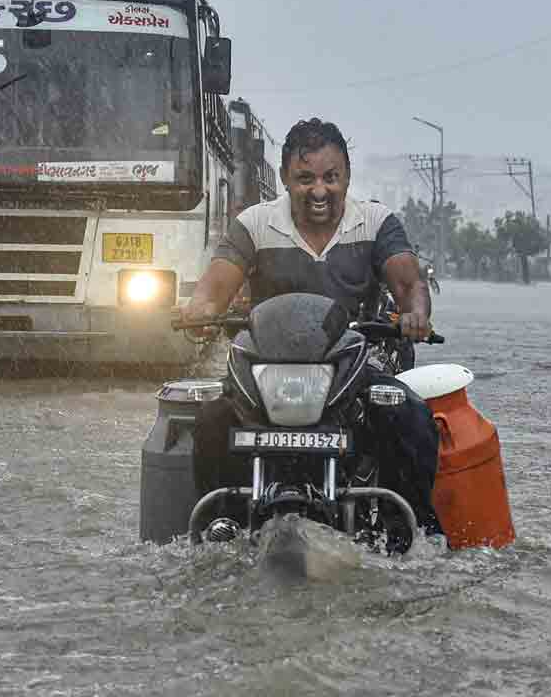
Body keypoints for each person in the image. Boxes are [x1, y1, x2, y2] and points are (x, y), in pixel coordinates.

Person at [177, 117, 441, 535]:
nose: (319, 190)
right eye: (305, 178)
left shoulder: (375, 222)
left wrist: (415, 313)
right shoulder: (255, 224)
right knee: (211, 420)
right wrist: (200, 312)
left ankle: (409, 532)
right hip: (267, 374)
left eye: (331, 177)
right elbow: (215, 286)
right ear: (284, 178)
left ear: (348, 176)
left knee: (408, 415)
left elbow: (410, 283)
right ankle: (219, 526)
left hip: (352, 371)